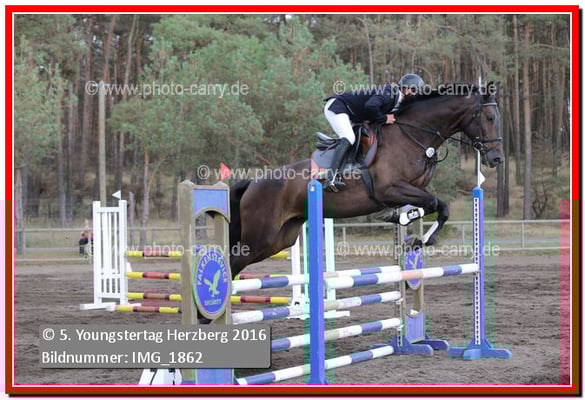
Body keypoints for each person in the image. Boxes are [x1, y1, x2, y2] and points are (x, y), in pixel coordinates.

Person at [322, 73, 425, 192]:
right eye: (414, 91)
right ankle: (331, 178)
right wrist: (384, 118)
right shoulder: (389, 93)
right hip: (337, 106)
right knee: (349, 137)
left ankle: (348, 169)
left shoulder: (396, 102)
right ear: (406, 89)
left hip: (351, 114)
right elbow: (371, 105)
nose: (415, 95)